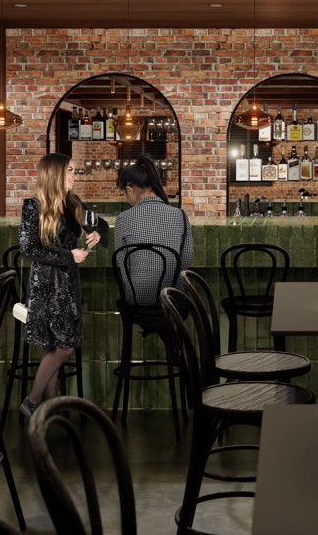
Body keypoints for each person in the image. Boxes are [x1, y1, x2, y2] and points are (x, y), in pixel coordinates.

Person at [18, 153, 99, 417]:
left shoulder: (73, 202)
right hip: (46, 286)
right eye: (71, 171)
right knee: (64, 345)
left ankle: (48, 408)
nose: (75, 175)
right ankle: (32, 401)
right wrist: (69, 256)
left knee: (54, 345)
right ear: (55, 175)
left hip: (67, 284)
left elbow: (100, 223)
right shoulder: (33, 206)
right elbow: (28, 249)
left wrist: (98, 232)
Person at [113, 156, 193, 309]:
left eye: (124, 193)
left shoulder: (122, 219)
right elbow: (185, 260)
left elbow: (124, 265)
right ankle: (171, 333)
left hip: (137, 302)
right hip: (174, 301)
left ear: (130, 189)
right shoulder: (180, 215)